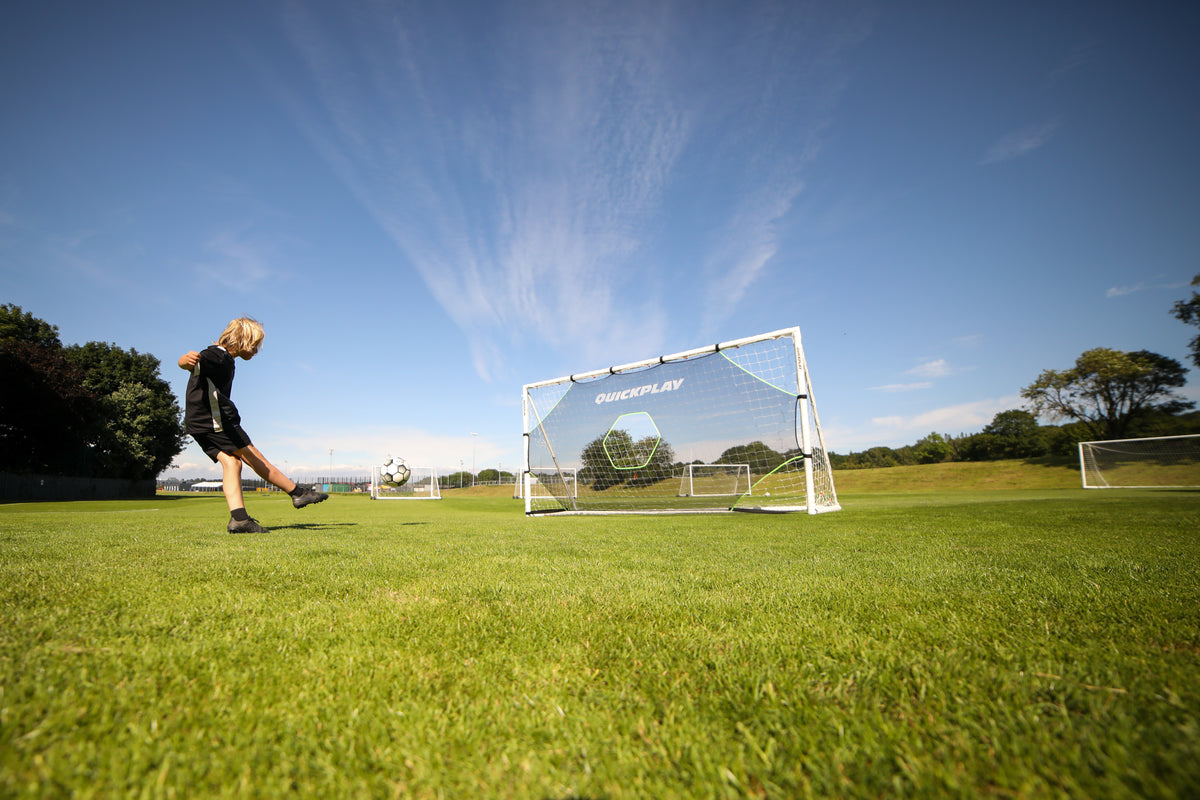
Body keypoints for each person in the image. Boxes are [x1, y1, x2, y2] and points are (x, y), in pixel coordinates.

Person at [178, 316, 327, 533]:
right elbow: (189, 361)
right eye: (255, 345)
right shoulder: (217, 356)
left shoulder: (226, 359)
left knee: (232, 463)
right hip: (213, 421)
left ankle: (239, 520)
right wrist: (185, 359)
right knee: (253, 456)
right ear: (242, 340)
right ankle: (297, 493)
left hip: (198, 423)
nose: (256, 351)